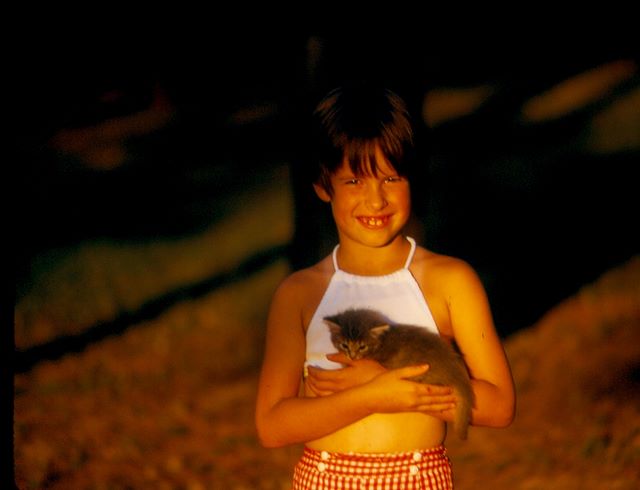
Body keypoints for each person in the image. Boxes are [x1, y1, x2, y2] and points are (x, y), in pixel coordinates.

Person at [255, 81, 515, 489]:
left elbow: (499, 405)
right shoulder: (300, 294)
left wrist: (396, 387)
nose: (376, 201)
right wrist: (371, 396)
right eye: (354, 181)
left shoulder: (449, 281)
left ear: (413, 178)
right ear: (323, 185)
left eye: (391, 178)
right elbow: (271, 425)